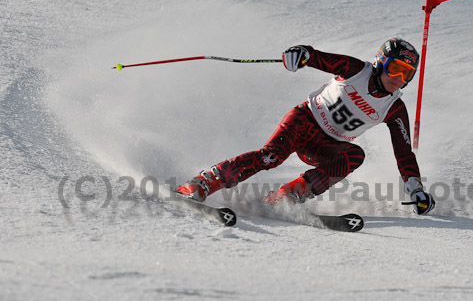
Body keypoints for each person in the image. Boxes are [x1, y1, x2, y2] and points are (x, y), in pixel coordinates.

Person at [175, 37, 435, 215]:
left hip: (325, 145)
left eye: (407, 75)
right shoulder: (356, 70)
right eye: (395, 69)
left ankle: (289, 195)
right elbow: (316, 57)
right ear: (381, 62)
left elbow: (403, 152)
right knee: (271, 157)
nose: (398, 79)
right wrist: (299, 54)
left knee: (355, 155)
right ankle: (203, 183)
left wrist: (415, 188)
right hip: (304, 121)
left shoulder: (394, 108)